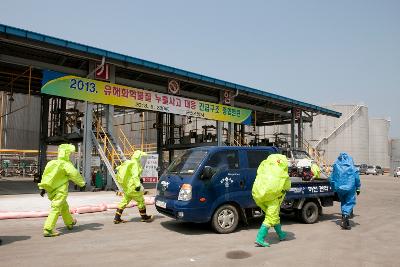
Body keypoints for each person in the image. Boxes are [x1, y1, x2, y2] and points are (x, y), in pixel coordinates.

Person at [38, 144, 86, 237]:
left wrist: (42, 188)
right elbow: (75, 174)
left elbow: (46, 176)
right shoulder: (66, 165)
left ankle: (70, 222)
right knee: (56, 208)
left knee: (64, 207)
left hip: (51, 191)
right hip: (61, 191)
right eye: (71, 153)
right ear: (67, 154)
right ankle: (48, 229)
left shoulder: (51, 163)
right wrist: (82, 184)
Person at [252, 154, 291, 247]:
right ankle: (260, 238)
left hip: (259, 195)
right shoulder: (282, 173)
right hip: (273, 198)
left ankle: (281, 234)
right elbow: (287, 187)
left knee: (274, 216)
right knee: (270, 218)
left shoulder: (266, 167)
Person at [114, 150, 153, 224]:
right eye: (143, 158)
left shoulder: (128, 162)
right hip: (133, 187)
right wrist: (138, 185)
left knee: (124, 202)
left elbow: (118, 168)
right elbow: (135, 176)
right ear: (139, 157)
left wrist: (139, 178)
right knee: (141, 201)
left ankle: (117, 218)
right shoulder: (136, 164)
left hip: (127, 188)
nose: (143, 160)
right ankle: (144, 217)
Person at [329, 152, 361, 230]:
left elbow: (331, 178)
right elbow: (357, 178)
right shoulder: (352, 167)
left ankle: (345, 219)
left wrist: (333, 187)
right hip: (350, 187)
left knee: (343, 202)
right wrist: (358, 188)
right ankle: (345, 217)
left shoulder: (336, 166)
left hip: (339, 188)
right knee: (349, 202)